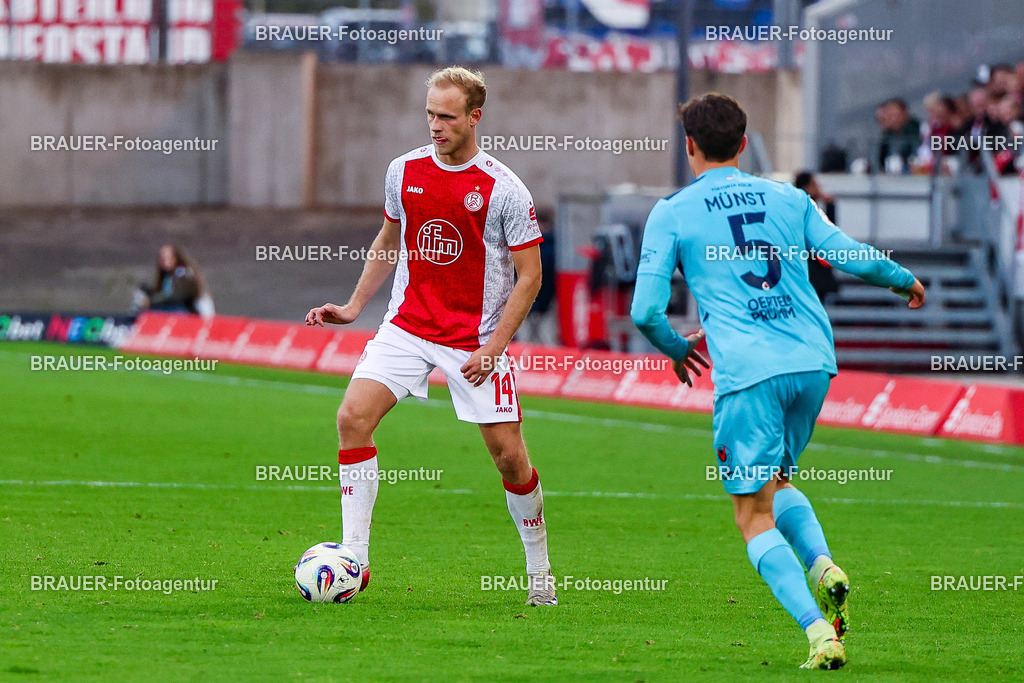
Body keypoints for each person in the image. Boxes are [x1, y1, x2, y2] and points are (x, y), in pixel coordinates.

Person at [630, 93, 925, 670]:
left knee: (752, 513)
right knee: (778, 480)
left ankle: (819, 634)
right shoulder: (790, 197)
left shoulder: (673, 211)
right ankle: (822, 565)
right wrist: (901, 278)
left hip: (749, 373)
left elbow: (645, 311)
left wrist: (676, 349)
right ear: (743, 144)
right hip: (813, 362)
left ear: (689, 145)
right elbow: (848, 254)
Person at [305, 66, 556, 606]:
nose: (435, 125)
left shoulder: (504, 189)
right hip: (407, 325)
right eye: (429, 115)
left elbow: (531, 277)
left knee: (509, 459)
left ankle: (540, 574)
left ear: (474, 116)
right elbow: (388, 239)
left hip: (475, 340)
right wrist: (353, 307)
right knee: (351, 418)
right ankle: (355, 561)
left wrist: (493, 348)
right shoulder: (404, 170)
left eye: (446, 116)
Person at [793, 171, 840, 303]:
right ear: (807, 187)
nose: (818, 188)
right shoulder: (804, 210)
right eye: (814, 185)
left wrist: (830, 206)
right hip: (811, 271)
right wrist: (829, 206)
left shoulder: (801, 208)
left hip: (809, 271)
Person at [135, 244, 214, 317]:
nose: (164, 260)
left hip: (191, 310)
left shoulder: (184, 274)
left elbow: (177, 295)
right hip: (175, 306)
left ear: (175, 258)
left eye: (167, 257)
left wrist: (151, 300)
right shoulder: (167, 277)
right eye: (161, 257)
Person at [875, 98, 920, 172]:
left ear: (904, 113)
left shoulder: (917, 132)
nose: (890, 118)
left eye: (894, 115)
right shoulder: (888, 135)